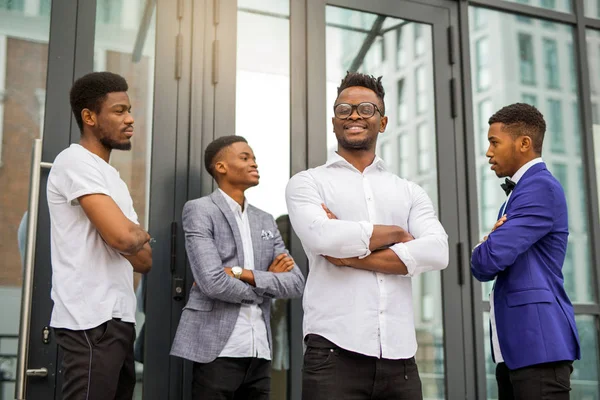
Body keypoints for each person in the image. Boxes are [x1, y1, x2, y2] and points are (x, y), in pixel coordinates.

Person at [285, 72, 449, 400]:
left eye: (366, 109)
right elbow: (321, 237)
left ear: (383, 121)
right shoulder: (307, 183)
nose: (355, 115)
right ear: (334, 121)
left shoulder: (408, 191)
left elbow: (438, 251)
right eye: (344, 109)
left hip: (401, 359)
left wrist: (349, 254)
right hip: (333, 354)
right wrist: (397, 233)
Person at [170, 135, 305, 399]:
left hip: (260, 350)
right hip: (217, 350)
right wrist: (265, 285)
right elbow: (212, 281)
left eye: (254, 158)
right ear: (221, 167)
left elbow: (296, 282)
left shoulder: (265, 220)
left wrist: (241, 273)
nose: (254, 163)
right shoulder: (199, 210)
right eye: (245, 158)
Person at [47, 72, 152, 400]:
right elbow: (123, 240)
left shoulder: (112, 179)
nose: (130, 118)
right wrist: (135, 234)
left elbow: (144, 260)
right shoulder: (74, 161)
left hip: (119, 319)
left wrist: (130, 235)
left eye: (130, 110)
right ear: (89, 117)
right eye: (119, 111)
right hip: (89, 320)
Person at [471, 103, 580, 400]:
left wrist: (484, 244)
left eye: (494, 142)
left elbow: (486, 262)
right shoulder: (518, 195)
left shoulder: (539, 188)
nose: (488, 152)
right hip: (518, 352)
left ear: (523, 143)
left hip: (539, 350)